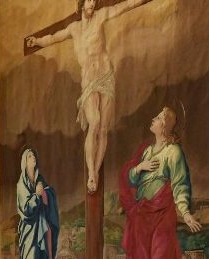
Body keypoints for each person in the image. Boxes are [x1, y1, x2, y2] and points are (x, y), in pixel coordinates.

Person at [26, 0, 152, 193]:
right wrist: (37, 41)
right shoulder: (74, 28)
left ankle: (96, 172)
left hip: (106, 76)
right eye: (89, 0)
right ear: (82, 4)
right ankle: (91, 172)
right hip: (89, 80)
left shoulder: (101, 16)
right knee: (94, 122)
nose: (92, 2)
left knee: (103, 128)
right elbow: (52, 38)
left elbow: (124, 6)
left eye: (94, 0)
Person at [119, 106, 202, 259]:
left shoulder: (173, 152)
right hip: (142, 218)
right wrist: (139, 168)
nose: (153, 119)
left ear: (164, 125)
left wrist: (185, 213)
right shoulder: (147, 152)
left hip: (161, 216)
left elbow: (180, 185)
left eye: (156, 117)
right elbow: (131, 179)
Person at [6, 148, 60, 259]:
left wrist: (45, 194)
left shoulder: (39, 179)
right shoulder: (21, 184)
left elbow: (48, 195)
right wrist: (37, 196)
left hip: (42, 231)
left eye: (34, 156)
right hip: (30, 232)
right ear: (24, 162)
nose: (33, 158)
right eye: (29, 156)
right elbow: (26, 209)